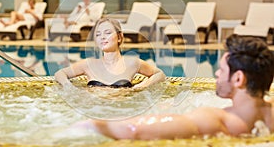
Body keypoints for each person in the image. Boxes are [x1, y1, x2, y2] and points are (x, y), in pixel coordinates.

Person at [76, 35, 274, 139]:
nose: (216, 74)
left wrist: (92, 125)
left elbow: (134, 131)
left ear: (238, 79)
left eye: (221, 70)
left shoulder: (213, 121)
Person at [55, 18, 166, 88]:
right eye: (98, 34)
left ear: (119, 37)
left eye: (107, 33)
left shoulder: (132, 63)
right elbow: (60, 73)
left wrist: (142, 86)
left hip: (120, 110)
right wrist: (69, 87)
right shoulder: (88, 64)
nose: (102, 37)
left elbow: (159, 74)